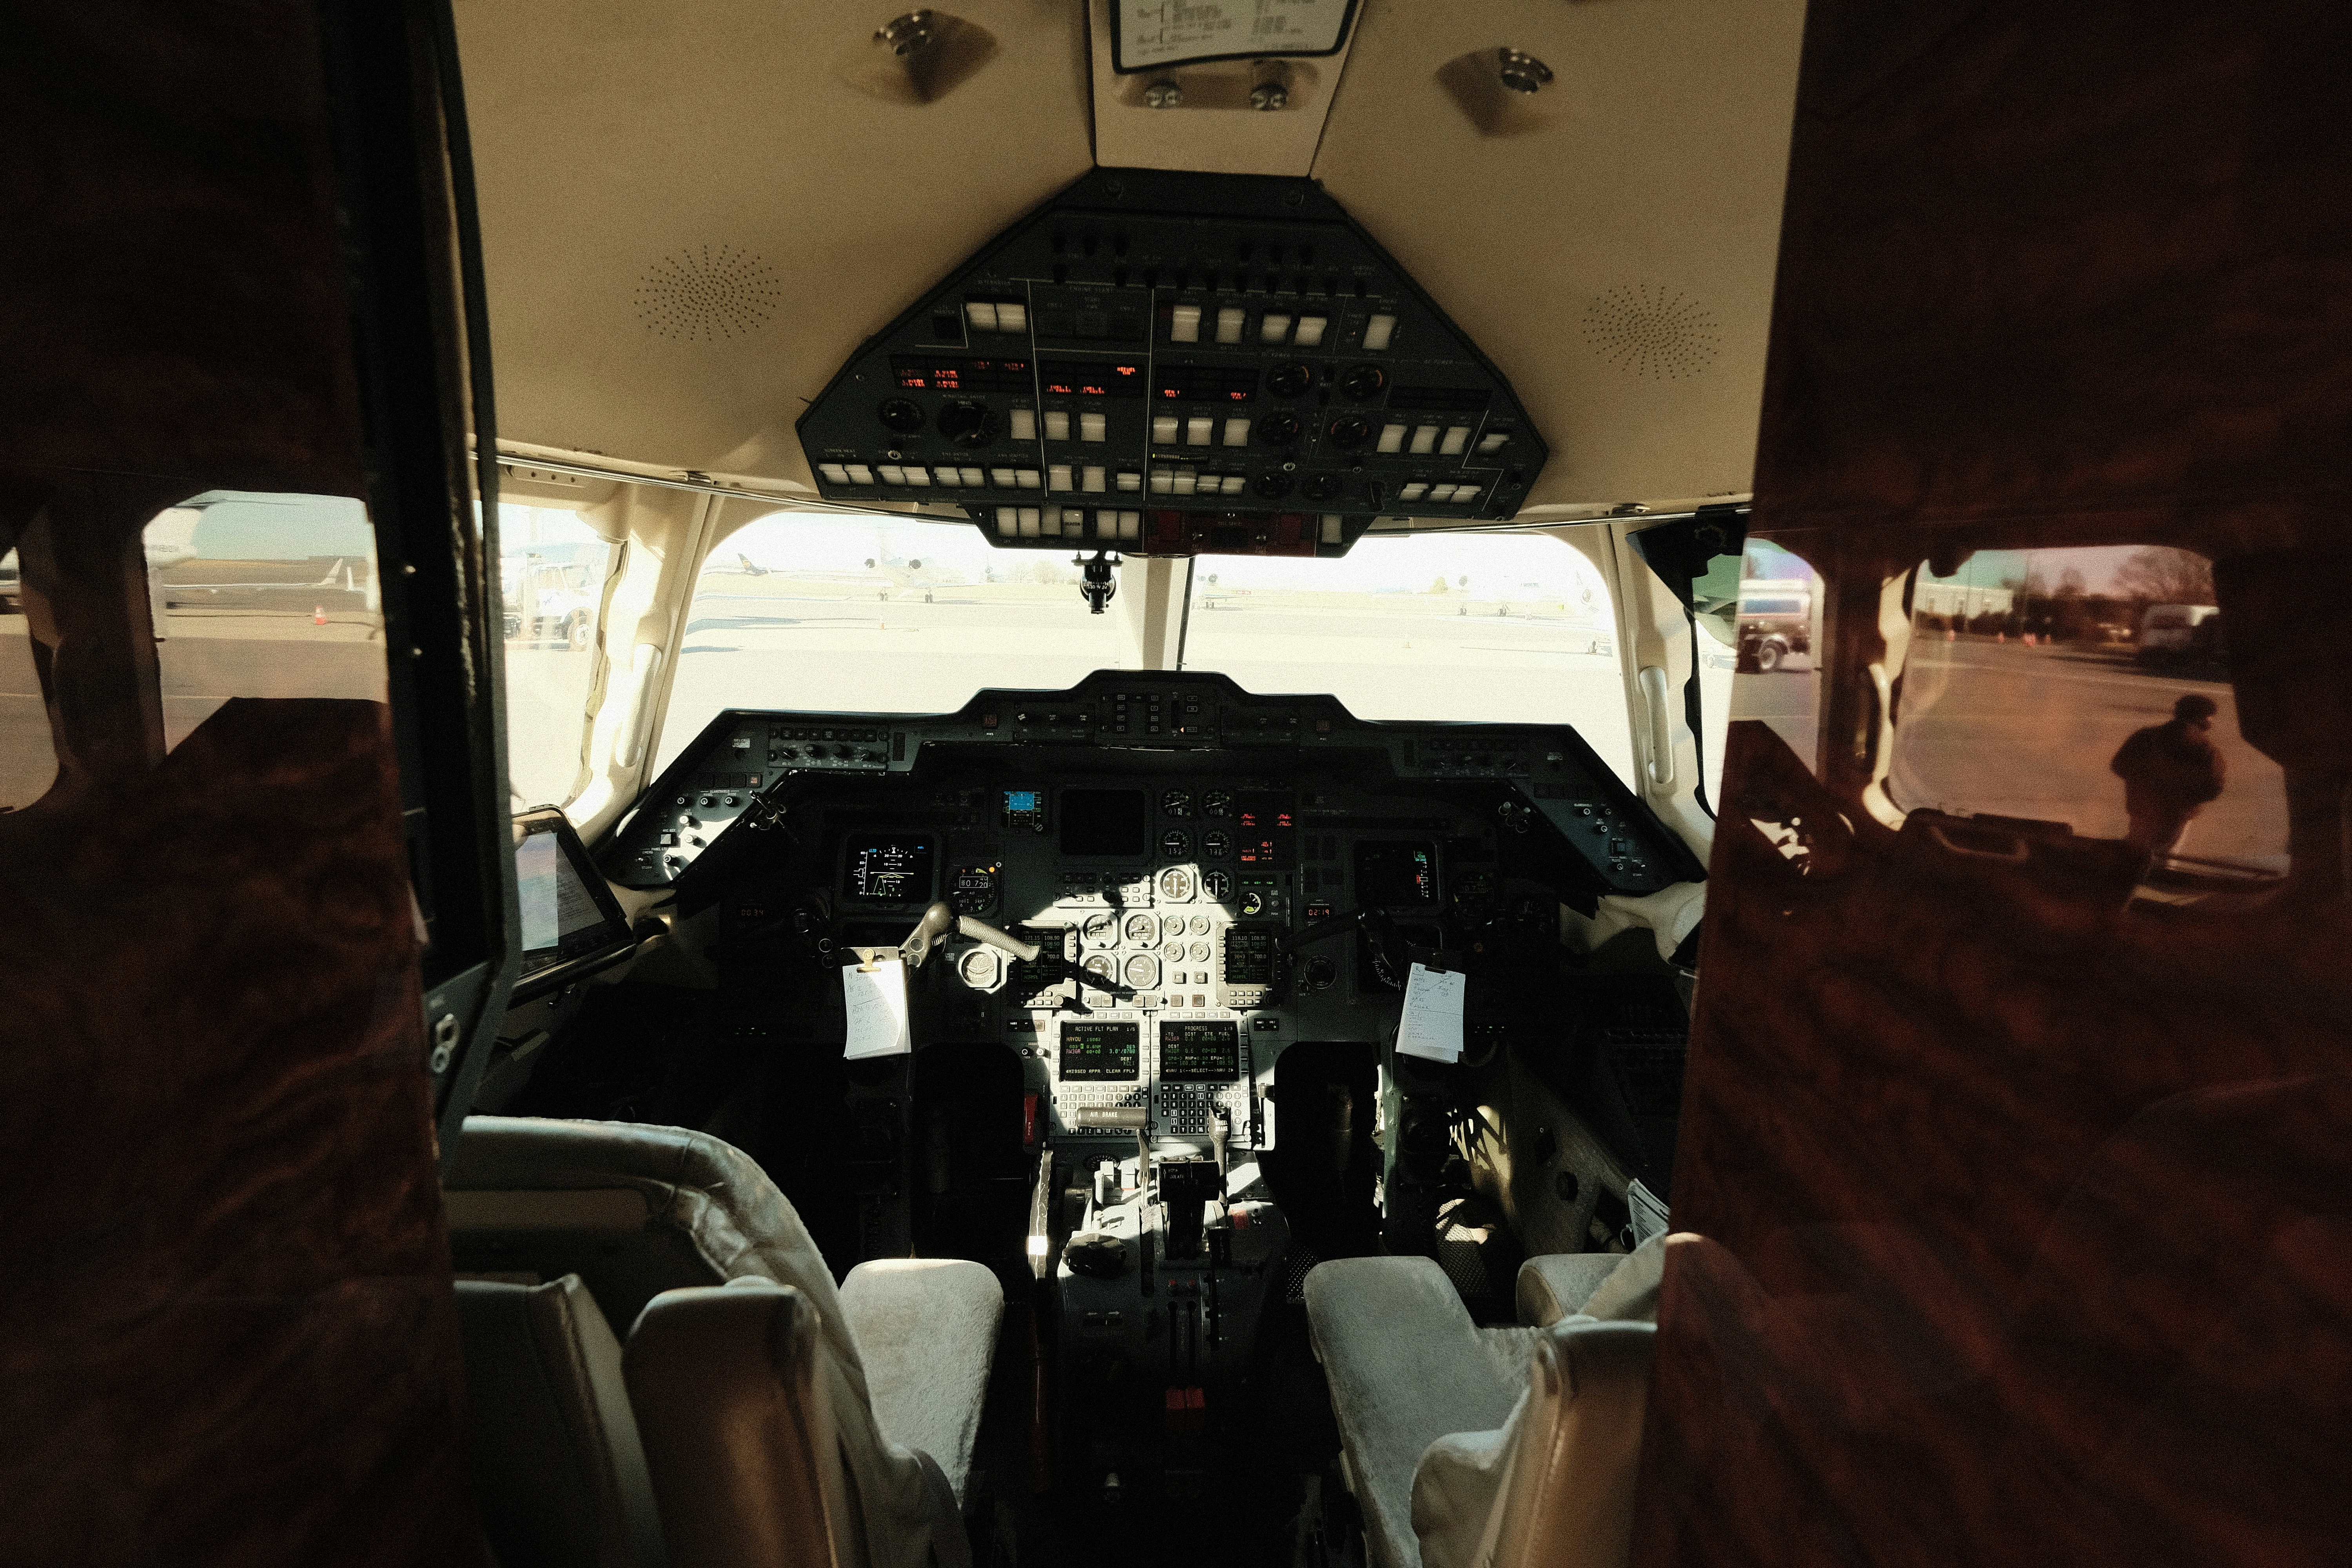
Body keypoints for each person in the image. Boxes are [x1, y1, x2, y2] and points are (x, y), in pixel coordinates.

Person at [2110, 693, 2226, 855]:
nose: (2211, 724)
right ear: (2204, 719)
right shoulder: (2206, 750)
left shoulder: (2146, 737)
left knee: (2134, 849)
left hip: (2141, 807)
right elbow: (2213, 787)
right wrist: (2184, 799)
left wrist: (2143, 784)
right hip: (2177, 814)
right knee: (2159, 854)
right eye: (2211, 719)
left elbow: (2120, 765)